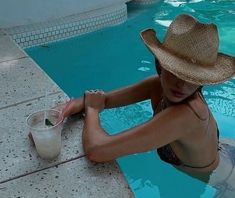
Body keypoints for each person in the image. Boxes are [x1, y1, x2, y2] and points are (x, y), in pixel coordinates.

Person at [59, 13, 235, 180]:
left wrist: (91, 110)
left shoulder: (186, 116)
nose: (182, 84)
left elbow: (96, 151)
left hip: (223, 182)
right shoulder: (156, 85)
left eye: (193, 78)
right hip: (225, 151)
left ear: (203, 81)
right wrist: (65, 111)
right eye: (176, 72)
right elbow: (104, 100)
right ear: (161, 64)